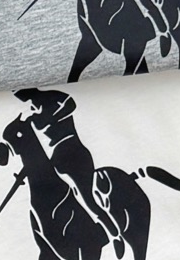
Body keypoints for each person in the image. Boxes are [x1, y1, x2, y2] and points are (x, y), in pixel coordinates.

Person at [12, 88, 121, 244]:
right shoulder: (31, 113)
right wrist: (24, 173)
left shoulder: (51, 96)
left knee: (87, 199)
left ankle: (114, 234)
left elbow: (71, 104)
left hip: (73, 149)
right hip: (56, 155)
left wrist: (51, 118)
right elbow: (36, 150)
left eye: (17, 90)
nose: (16, 94)